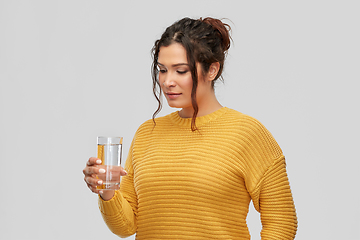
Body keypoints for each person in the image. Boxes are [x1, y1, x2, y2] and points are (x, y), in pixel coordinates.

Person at [83, 17, 298, 239]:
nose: (167, 81)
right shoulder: (147, 133)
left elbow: (282, 222)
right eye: (163, 69)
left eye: (181, 71)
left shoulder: (247, 133)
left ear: (212, 70)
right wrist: (107, 192)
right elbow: (126, 226)